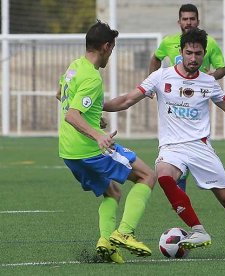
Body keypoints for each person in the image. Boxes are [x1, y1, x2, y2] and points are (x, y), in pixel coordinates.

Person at [104, 28, 225, 256]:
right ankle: (198, 230)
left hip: (200, 146)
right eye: (189, 53)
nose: (193, 58)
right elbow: (126, 100)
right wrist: (97, 106)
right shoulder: (161, 76)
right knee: (163, 175)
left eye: (198, 54)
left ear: (204, 54)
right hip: (172, 147)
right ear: (181, 52)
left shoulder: (208, 82)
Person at [57, 20, 156, 263]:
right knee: (147, 176)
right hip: (89, 149)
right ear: (105, 46)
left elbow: (62, 96)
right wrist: (98, 134)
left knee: (112, 192)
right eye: (112, 48)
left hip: (69, 152)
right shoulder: (92, 78)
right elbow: (72, 115)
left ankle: (106, 243)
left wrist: (93, 118)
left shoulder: (74, 67)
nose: (111, 53)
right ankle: (124, 233)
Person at [148, 3, 225, 192]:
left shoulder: (210, 43)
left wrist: (207, 81)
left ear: (198, 21)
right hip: (174, 99)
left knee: (195, 140)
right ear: (179, 21)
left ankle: (194, 170)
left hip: (196, 100)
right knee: (177, 145)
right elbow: (156, 58)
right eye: (185, 19)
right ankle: (180, 179)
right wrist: (152, 84)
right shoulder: (168, 42)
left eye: (192, 19)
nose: (188, 22)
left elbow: (222, 69)